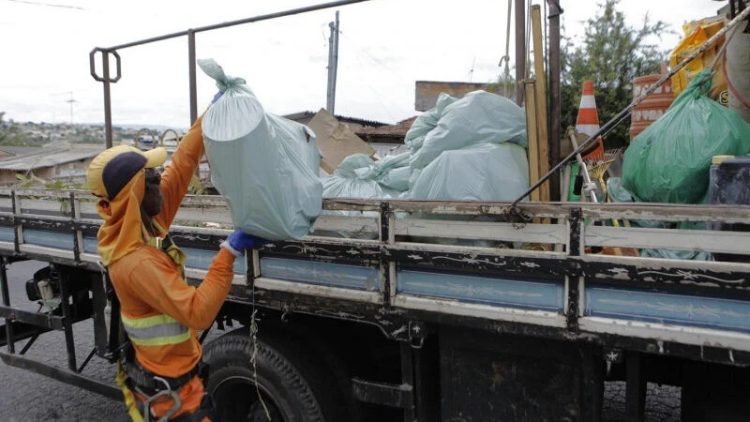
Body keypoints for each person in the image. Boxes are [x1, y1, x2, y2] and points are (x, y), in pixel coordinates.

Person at [86, 115, 265, 421]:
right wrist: (229, 252)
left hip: (175, 378)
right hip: (174, 399)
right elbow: (199, 312)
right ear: (136, 193)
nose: (162, 181)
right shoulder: (136, 262)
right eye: (154, 178)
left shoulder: (140, 224)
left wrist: (208, 119)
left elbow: (181, 168)